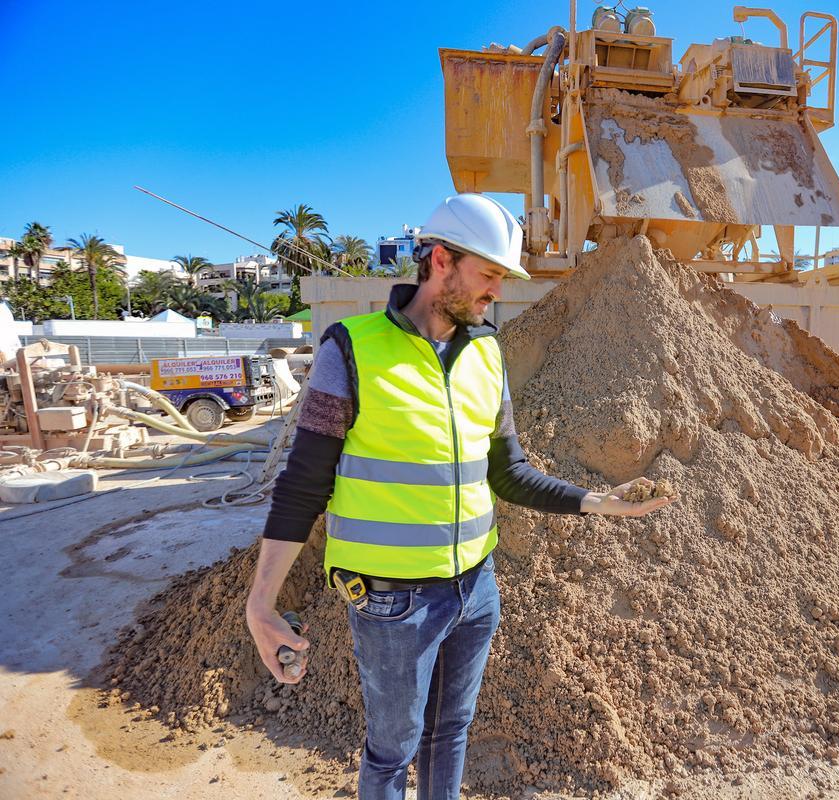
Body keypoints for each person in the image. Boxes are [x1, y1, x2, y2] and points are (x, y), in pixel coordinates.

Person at [245, 193, 674, 800]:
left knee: (450, 733)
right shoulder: (350, 349)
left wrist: (596, 502)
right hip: (392, 600)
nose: (496, 291)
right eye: (490, 274)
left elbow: (508, 472)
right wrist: (261, 602)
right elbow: (303, 483)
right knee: (391, 752)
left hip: (476, 589)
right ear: (441, 260)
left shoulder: (486, 354)